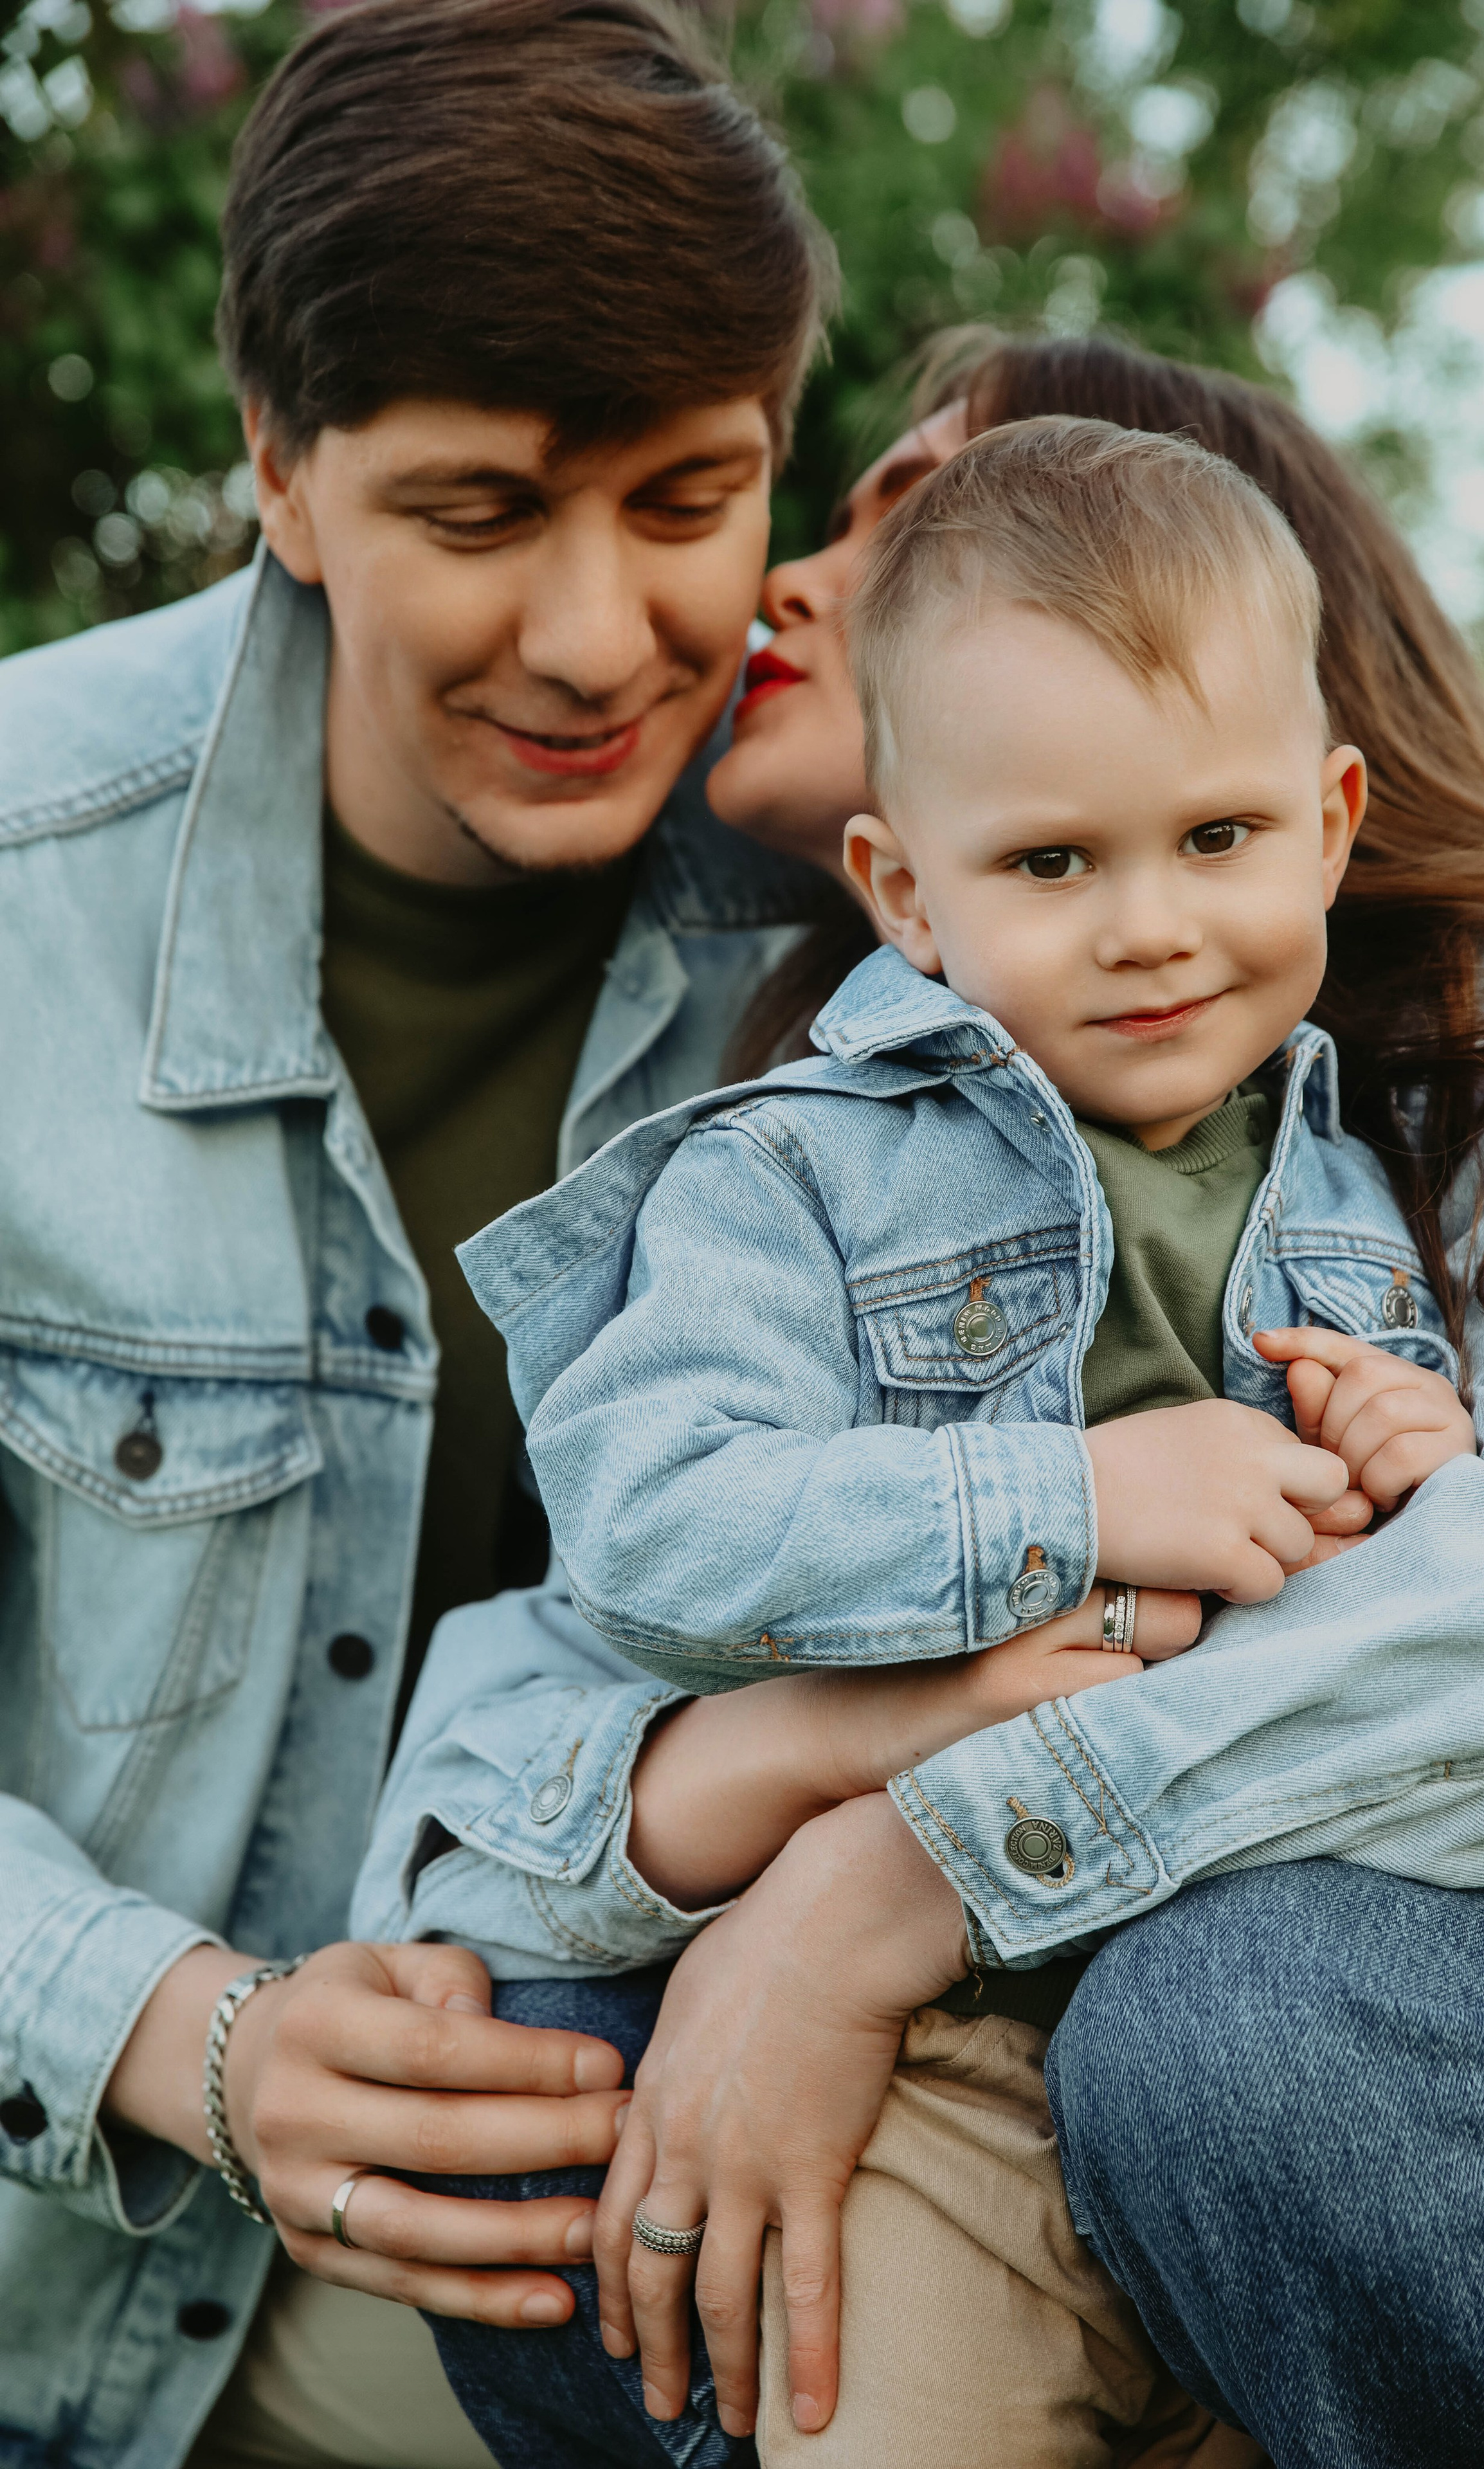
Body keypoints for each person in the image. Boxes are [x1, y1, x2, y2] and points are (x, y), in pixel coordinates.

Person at [366, 329, 1484, 2469]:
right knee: (551, 2086)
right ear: (908, 888)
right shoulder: (809, 1137)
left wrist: (906, 1864)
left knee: (1225, 2033)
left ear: (1319, 807)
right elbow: (629, 1551)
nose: (796, 579)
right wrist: (811, 1740)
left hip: (1370, 2017)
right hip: (1015, 2037)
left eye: (904, 520)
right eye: (1054, 862)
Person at [0, 0, 837, 2461]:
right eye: (481, 517)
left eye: (690, 503)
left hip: (643, 2257)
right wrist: (183, 2030)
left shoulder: (896, 884)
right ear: (281, 468)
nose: (598, 642)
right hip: (78, 2282)